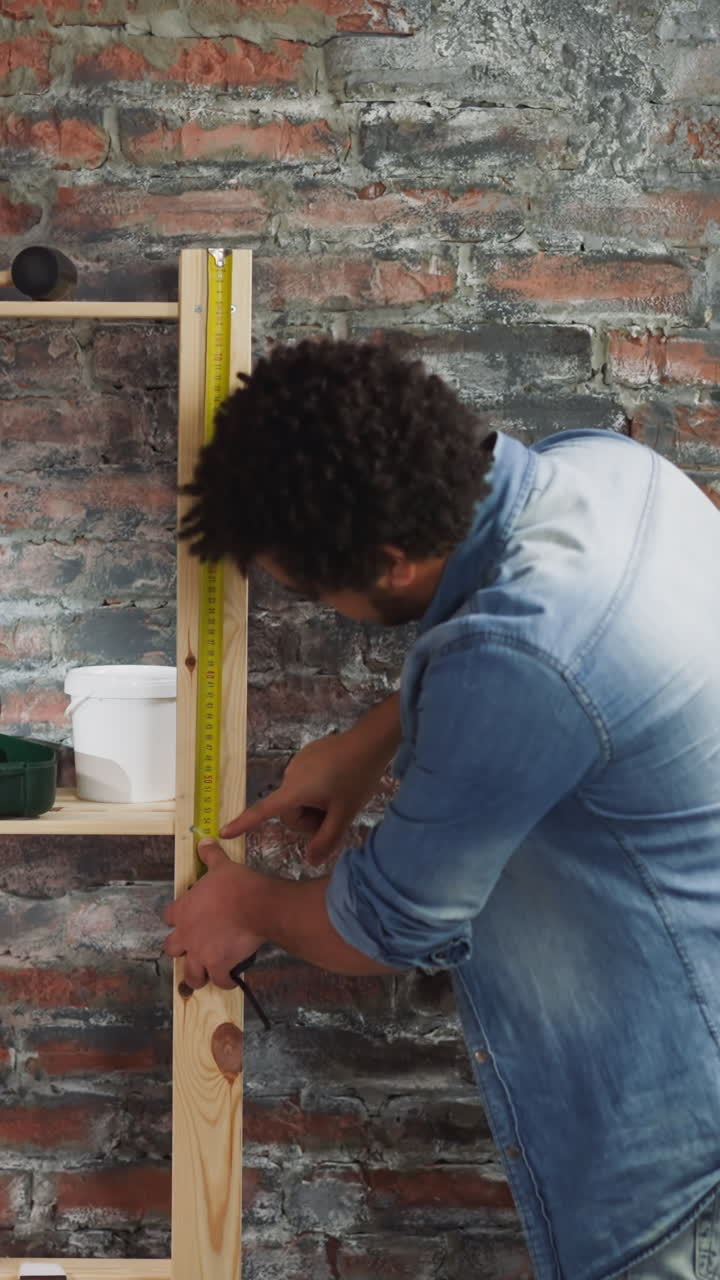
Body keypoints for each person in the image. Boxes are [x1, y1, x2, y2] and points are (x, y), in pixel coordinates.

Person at [163, 338, 720, 1280]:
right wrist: (370, 741)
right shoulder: (609, 468)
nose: (314, 603)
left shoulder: (514, 663)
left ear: (390, 563)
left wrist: (247, 906)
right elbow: (561, 664)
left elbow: (393, 925)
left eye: (310, 590)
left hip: (678, 1146)